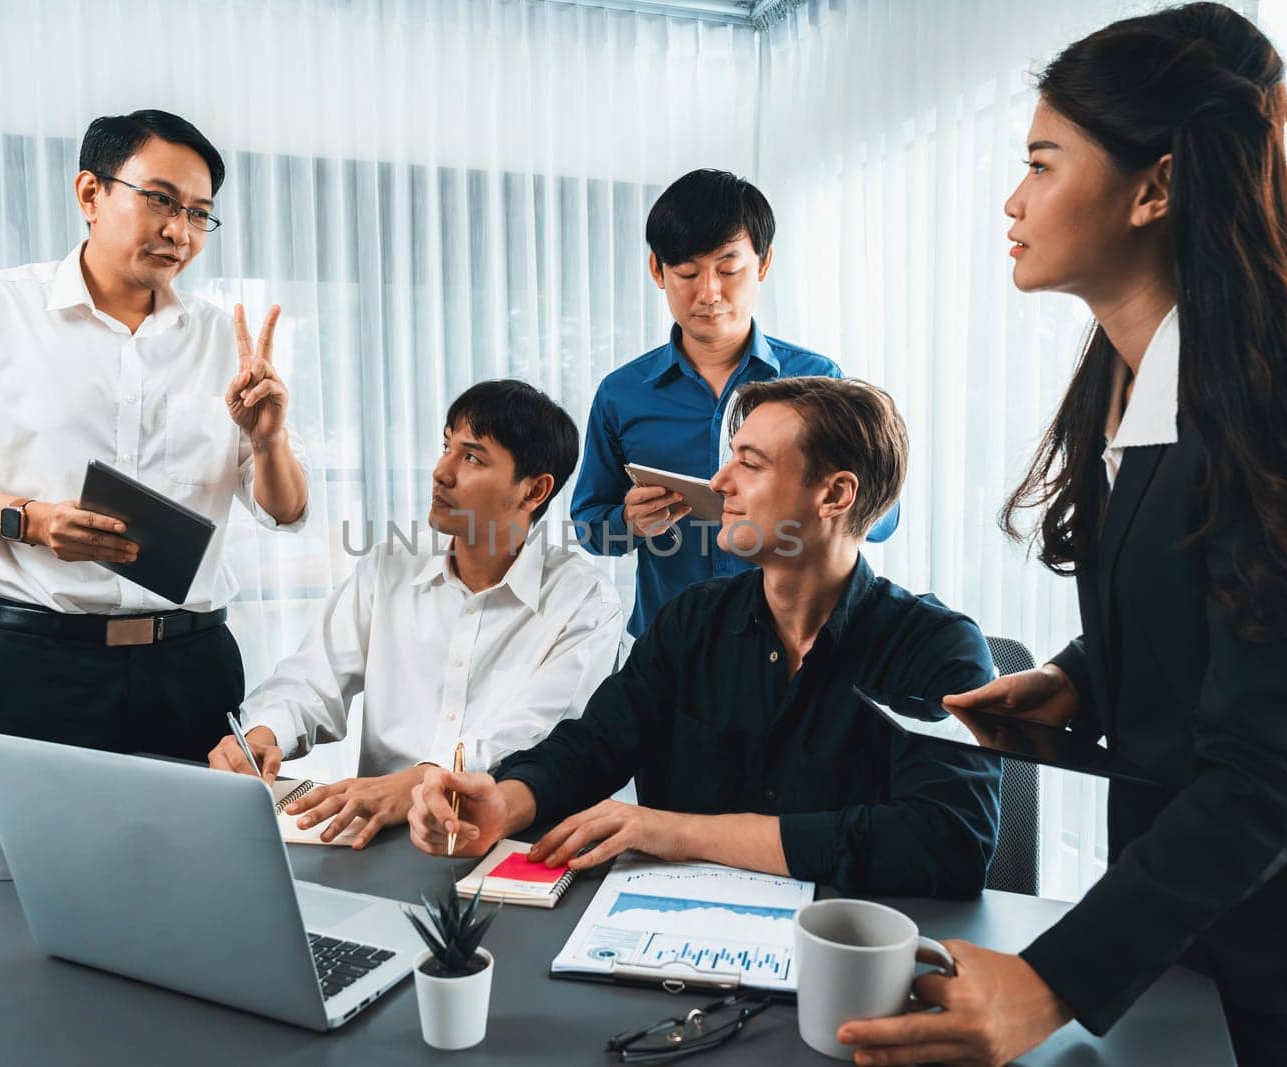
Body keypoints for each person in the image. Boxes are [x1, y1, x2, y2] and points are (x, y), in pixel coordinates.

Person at [840, 6, 1287, 1065]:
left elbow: (1273, 767)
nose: (1013, 198)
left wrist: (1047, 982)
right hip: (1183, 933)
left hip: (1281, 966)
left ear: (1154, 188)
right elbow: (1221, 604)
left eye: (1041, 163)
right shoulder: (1133, 379)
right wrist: (1083, 674)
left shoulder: (1272, 414)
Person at [408, 377, 999, 895]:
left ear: (835, 495)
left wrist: (672, 830)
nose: (718, 483)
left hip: (849, 953)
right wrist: (504, 804)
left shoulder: (937, 649)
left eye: (751, 463)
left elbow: (949, 841)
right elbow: (595, 744)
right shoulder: (691, 620)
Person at [0, 110, 309, 762]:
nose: (180, 231)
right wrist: (28, 520)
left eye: (199, 213)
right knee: (35, 864)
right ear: (90, 193)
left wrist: (268, 440)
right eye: (161, 200)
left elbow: (286, 510)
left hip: (192, 666)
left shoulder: (227, 339)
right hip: (39, 665)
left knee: (201, 862)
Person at [208, 380, 622, 849]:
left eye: (472, 457)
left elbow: (535, 736)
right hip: (373, 835)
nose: (441, 472)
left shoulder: (586, 602)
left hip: (504, 841)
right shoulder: (390, 568)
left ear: (534, 491)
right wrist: (265, 735)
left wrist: (415, 784)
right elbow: (310, 679)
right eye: (446, 447)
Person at [570, 169, 899, 639]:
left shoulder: (817, 380)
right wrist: (629, 522)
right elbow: (589, 529)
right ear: (657, 271)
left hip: (796, 644)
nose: (708, 293)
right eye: (686, 272)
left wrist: (820, 504)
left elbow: (883, 518)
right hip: (672, 645)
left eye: (729, 269)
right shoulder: (622, 394)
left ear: (762, 265)